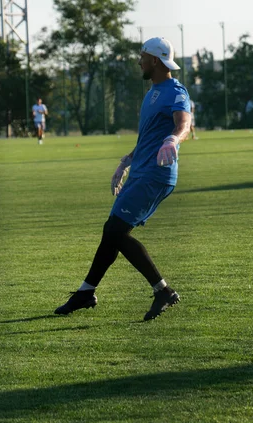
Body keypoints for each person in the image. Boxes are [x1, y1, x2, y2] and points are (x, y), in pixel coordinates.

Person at [55, 37, 192, 321]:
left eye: (142, 56)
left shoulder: (175, 90)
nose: (138, 61)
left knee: (116, 231)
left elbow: (184, 124)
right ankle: (85, 292)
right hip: (141, 171)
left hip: (156, 174)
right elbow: (148, 136)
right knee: (112, 231)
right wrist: (126, 161)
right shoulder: (152, 92)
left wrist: (174, 139)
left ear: (154, 60)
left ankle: (162, 290)